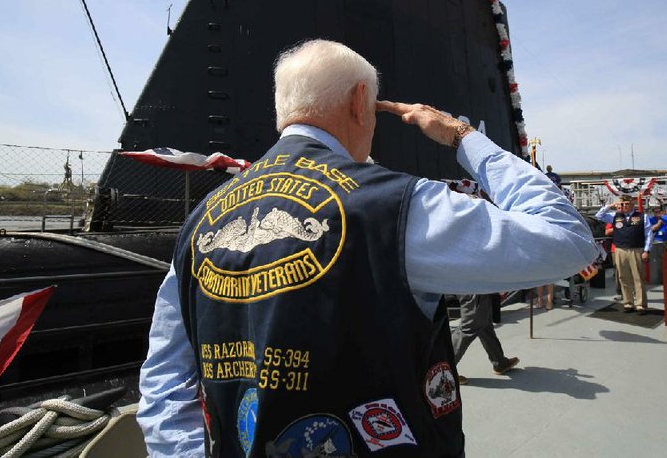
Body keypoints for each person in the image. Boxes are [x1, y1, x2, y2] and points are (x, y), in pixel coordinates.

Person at [136, 40, 596, 457]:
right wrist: (462, 136)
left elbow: (165, 377)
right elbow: (568, 239)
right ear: (360, 101)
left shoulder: (201, 221)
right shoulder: (394, 205)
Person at [595, 195, 651, 314]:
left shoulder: (642, 217)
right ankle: (628, 303)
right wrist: (611, 206)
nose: (624, 206)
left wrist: (646, 250)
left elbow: (649, 235)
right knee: (623, 277)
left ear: (632, 204)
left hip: (636, 249)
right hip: (620, 250)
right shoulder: (616, 216)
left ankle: (640, 304)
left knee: (638, 277)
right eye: (622, 204)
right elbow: (599, 216)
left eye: (627, 204)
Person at [451, 294, 519, 385]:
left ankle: (499, 362)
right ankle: (444, 370)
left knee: (485, 326)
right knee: (468, 328)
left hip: (478, 289)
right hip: (474, 288)